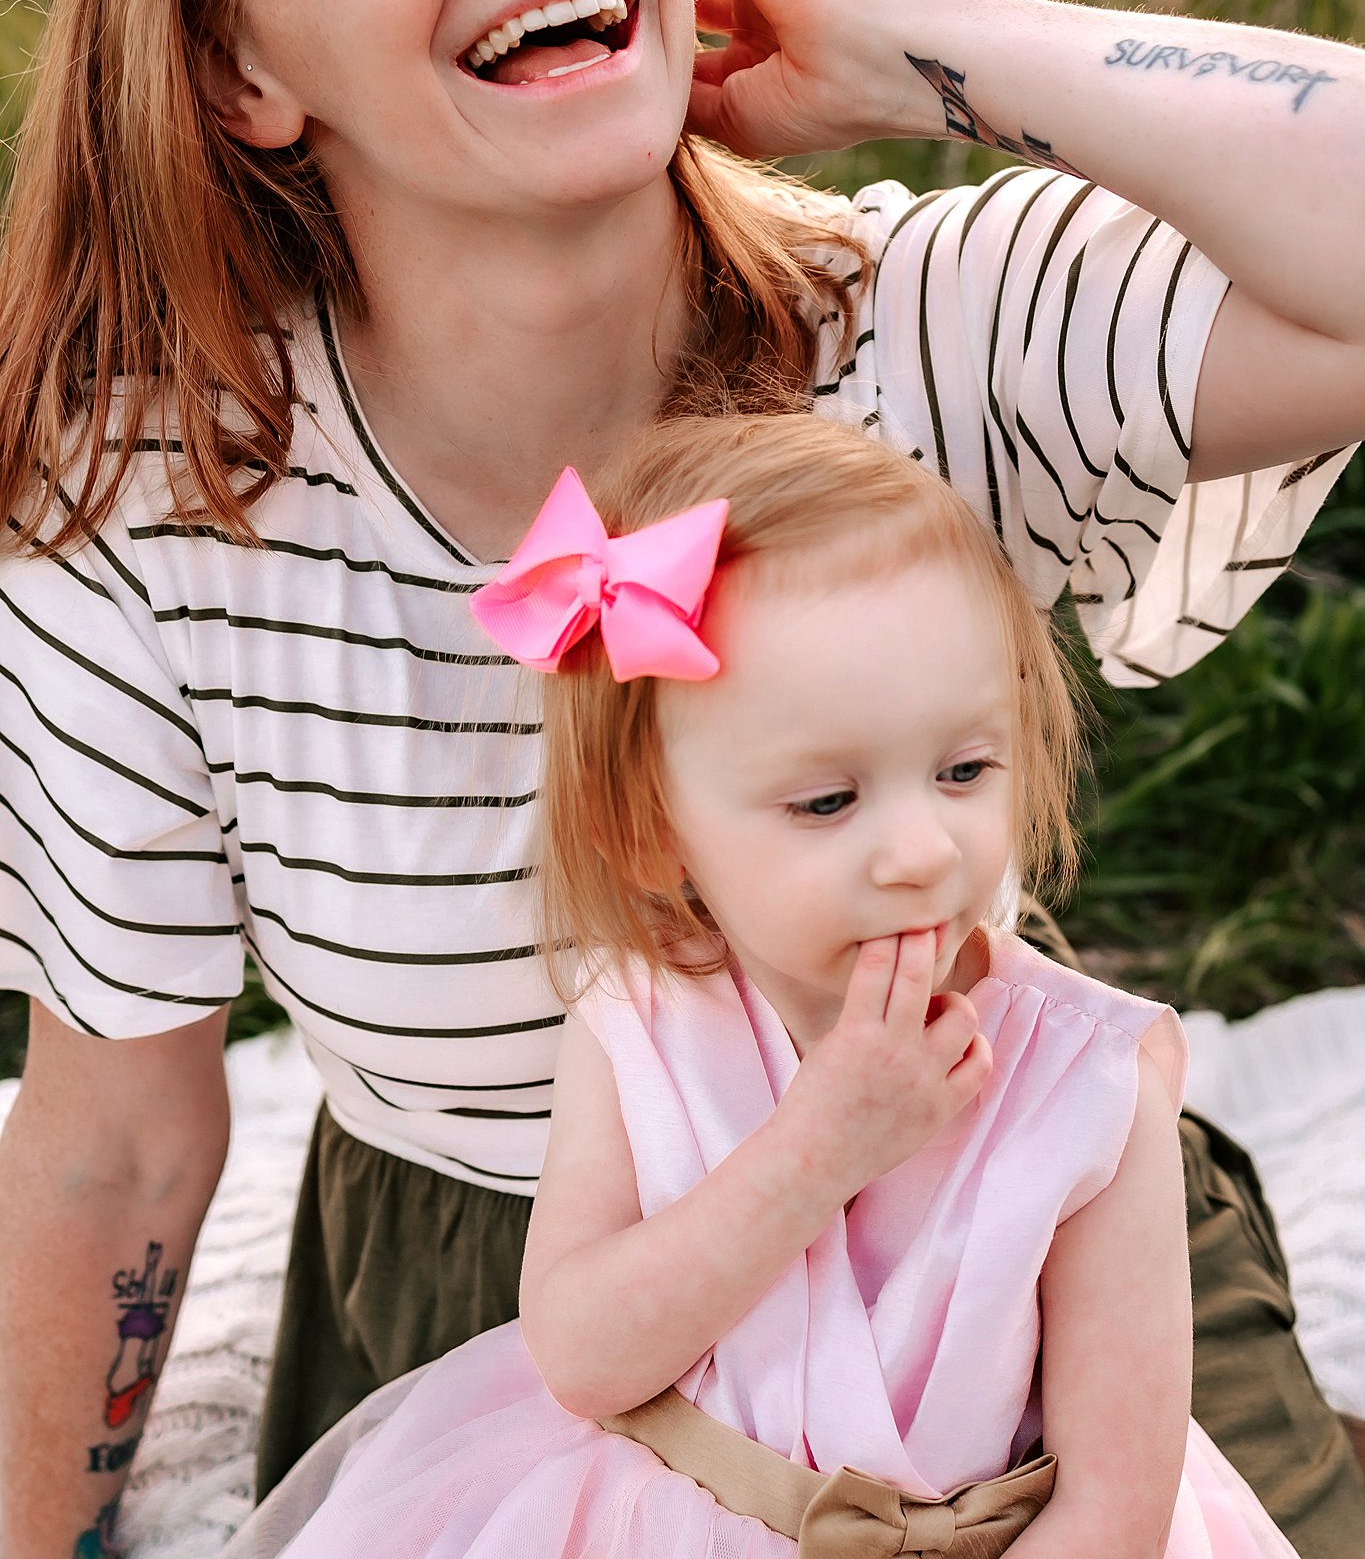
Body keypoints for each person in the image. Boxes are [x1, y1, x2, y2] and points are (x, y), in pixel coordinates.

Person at [0, 0, 1360, 1559]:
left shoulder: (926, 322)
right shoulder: (154, 501)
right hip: (513, 1299)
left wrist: (901, 46)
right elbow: (114, 1135)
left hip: (1018, 1259)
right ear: (240, 68)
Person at [224, 412, 1299, 1559]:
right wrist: (820, 1145)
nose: (922, 849)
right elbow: (584, 1357)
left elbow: (1115, 1501)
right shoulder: (645, 1015)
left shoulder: (1088, 1080)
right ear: (652, 833)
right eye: (828, 800)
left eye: (964, 769)